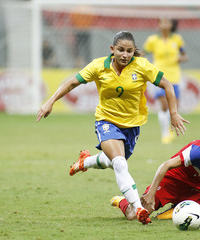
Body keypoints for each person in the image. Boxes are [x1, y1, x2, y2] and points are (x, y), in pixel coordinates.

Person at [36, 31, 189, 225]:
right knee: (119, 163)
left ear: (134, 51)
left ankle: (86, 161)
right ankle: (138, 208)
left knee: (115, 161)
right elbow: (72, 83)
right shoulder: (98, 66)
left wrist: (174, 113)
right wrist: (50, 101)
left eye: (129, 51)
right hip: (106, 121)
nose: (125, 55)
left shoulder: (142, 66)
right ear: (112, 50)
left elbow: (167, 85)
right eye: (121, 50)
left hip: (132, 126)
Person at [110, 132, 200, 221]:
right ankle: (122, 201)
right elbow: (165, 165)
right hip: (170, 184)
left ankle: (176, 212)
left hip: (194, 191)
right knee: (133, 216)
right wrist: (151, 193)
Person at [143, 18, 188, 144]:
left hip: (174, 76)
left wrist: (180, 59)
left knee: (175, 106)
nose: (165, 24)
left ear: (171, 25)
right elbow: (143, 53)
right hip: (159, 75)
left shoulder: (177, 39)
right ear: (159, 25)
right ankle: (165, 134)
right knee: (164, 105)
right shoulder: (152, 40)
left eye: (167, 22)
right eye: (162, 22)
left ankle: (170, 129)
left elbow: (185, 55)